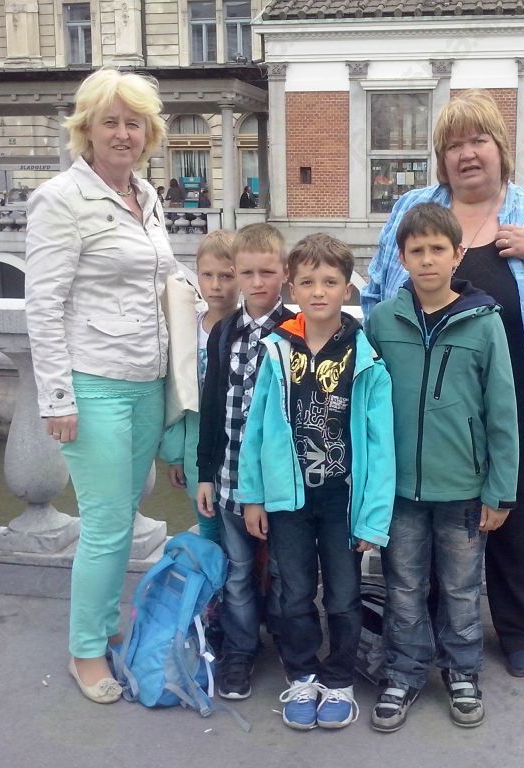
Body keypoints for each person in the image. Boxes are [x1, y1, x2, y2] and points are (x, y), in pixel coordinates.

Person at [361, 89, 524, 680]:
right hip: (424, 409)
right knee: (423, 515)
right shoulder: (414, 209)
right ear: (441, 158)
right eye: (454, 145)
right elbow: (377, 294)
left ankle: (519, 627)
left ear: (500, 149)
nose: (467, 154)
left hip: (514, 401)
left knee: (516, 518)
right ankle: (423, 628)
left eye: (478, 141)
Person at [24, 67, 177, 705]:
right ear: (85, 129)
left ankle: (106, 622)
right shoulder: (61, 198)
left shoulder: (147, 194)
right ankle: (86, 650)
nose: (122, 133)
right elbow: (43, 305)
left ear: (149, 133)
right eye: (109, 122)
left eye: (133, 123)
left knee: (123, 514)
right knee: (108, 524)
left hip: (147, 380)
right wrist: (57, 399)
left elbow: (164, 280)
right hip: (95, 384)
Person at [366, 203, 519, 731]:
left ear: (457, 255)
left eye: (438, 249)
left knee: (460, 587)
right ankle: (403, 672)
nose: (427, 260)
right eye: (417, 250)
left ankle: (462, 671)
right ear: (402, 257)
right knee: (403, 586)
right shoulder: (382, 321)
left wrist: (500, 489)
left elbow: (502, 409)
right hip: (399, 490)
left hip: (463, 488)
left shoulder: (484, 322)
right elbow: (364, 406)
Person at [237, 233, 395, 731]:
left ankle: (340, 678)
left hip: (342, 501)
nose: (319, 291)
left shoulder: (366, 357)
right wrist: (253, 496)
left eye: (329, 281)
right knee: (295, 592)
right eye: (307, 282)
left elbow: (381, 445)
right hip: (289, 498)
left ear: (347, 289)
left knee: (344, 595)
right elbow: (256, 428)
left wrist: (373, 518)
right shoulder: (277, 350)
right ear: (292, 287)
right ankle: (303, 673)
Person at [196, 223, 296, 700]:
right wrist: (205, 473)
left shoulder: (298, 332)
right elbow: (212, 406)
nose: (257, 283)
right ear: (236, 273)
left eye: (267, 272)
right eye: (248, 273)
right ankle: (240, 649)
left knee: (284, 569)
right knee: (237, 570)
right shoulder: (224, 333)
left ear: (285, 273)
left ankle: (290, 641)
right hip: (231, 475)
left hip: (280, 481)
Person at [161, 229, 238, 545]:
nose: (216, 285)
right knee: (208, 530)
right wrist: (174, 455)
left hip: (237, 453)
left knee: (241, 538)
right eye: (207, 275)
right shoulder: (187, 330)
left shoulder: (249, 330)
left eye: (226, 276)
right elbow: (175, 393)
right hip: (196, 450)